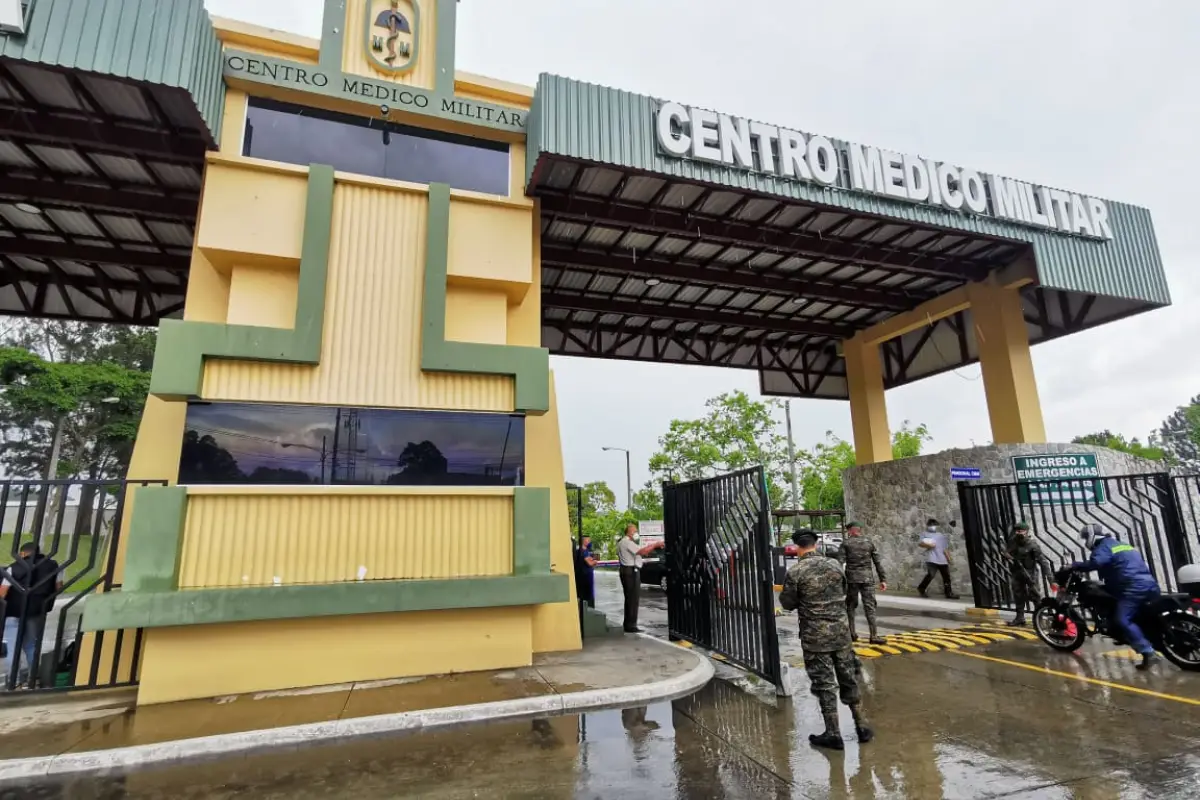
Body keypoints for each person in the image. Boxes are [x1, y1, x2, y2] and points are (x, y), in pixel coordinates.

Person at [779, 530, 873, 750]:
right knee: (848, 677)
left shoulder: (796, 572)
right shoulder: (835, 566)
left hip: (816, 638)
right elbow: (847, 592)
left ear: (798, 547)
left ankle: (833, 733)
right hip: (841, 635)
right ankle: (861, 726)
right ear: (816, 543)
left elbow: (787, 603)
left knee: (824, 684)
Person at [1070, 523, 1161, 670]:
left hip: (1131, 588)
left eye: (1086, 537)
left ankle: (1148, 652)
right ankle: (1127, 636)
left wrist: (1077, 565)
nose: (1086, 540)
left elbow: (1097, 562)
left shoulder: (1103, 547)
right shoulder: (1121, 544)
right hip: (1149, 584)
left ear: (1092, 536)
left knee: (1122, 619)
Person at [1, 542, 63, 689]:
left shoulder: (13, 568)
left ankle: (14, 682)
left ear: (22, 554)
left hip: (13, 612)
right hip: (36, 611)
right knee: (31, 645)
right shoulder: (54, 566)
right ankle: (33, 679)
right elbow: (59, 587)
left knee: (13, 646)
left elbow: (2, 592)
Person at [836, 521, 888, 645]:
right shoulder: (869, 543)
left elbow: (839, 563)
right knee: (870, 607)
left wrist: (838, 581)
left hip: (852, 580)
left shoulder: (846, 544)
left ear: (851, 531)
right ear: (859, 530)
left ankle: (852, 634)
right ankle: (874, 636)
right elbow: (877, 563)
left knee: (850, 606)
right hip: (867, 579)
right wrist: (883, 580)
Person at [1003, 522, 1054, 627]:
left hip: (1030, 573)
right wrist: (1007, 555)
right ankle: (1020, 618)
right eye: (1017, 531)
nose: (1019, 533)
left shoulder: (1032, 544)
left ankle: (1038, 619)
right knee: (1018, 595)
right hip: (1017, 572)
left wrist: (1050, 579)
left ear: (1026, 532)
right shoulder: (1013, 542)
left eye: (1021, 531)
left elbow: (1043, 561)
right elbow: (1007, 552)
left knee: (1035, 595)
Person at [616, 524, 663, 633]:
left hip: (626, 570)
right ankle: (631, 625)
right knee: (633, 599)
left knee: (629, 598)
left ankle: (628, 623)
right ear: (629, 532)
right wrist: (655, 544)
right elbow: (643, 552)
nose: (636, 533)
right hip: (631, 571)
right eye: (634, 531)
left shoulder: (621, 542)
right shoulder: (627, 542)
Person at [916, 518, 959, 599]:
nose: (932, 527)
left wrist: (949, 559)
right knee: (931, 575)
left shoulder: (941, 536)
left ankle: (949, 593)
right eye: (931, 525)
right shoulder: (924, 534)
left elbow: (945, 549)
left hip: (942, 560)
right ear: (928, 526)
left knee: (946, 577)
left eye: (934, 525)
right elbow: (920, 544)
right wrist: (929, 545)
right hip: (932, 559)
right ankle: (921, 588)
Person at [574, 535, 598, 608]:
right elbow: (590, 563)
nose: (589, 541)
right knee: (587, 594)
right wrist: (595, 561)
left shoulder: (583, 551)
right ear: (584, 541)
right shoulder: (583, 551)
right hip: (585, 576)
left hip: (584, 575)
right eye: (588, 540)